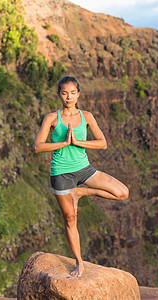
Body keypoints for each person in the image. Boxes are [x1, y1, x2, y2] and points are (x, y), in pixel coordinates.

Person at [34, 75, 129, 277]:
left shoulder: (87, 116)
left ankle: (80, 193)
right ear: (59, 94)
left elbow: (102, 143)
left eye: (73, 92)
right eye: (64, 93)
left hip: (84, 169)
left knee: (122, 193)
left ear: (78, 94)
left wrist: (78, 142)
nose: (69, 96)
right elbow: (38, 146)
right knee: (70, 219)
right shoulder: (52, 118)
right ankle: (79, 262)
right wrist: (64, 143)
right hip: (60, 172)